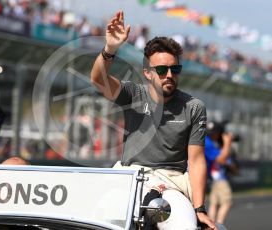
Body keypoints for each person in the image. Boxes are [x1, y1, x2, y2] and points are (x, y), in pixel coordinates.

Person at [90, 11, 216, 229]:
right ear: (147, 73)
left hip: (171, 185)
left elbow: (196, 162)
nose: (169, 74)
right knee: (102, 222)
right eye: (161, 69)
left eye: (175, 69)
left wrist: (199, 209)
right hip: (129, 180)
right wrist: (110, 49)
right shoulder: (132, 94)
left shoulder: (194, 107)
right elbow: (98, 79)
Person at [205, 121, 234, 224]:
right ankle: (218, 225)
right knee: (227, 202)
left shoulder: (207, 141)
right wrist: (227, 143)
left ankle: (211, 225)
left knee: (214, 203)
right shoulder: (207, 143)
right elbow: (221, 159)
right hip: (215, 178)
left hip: (210, 178)